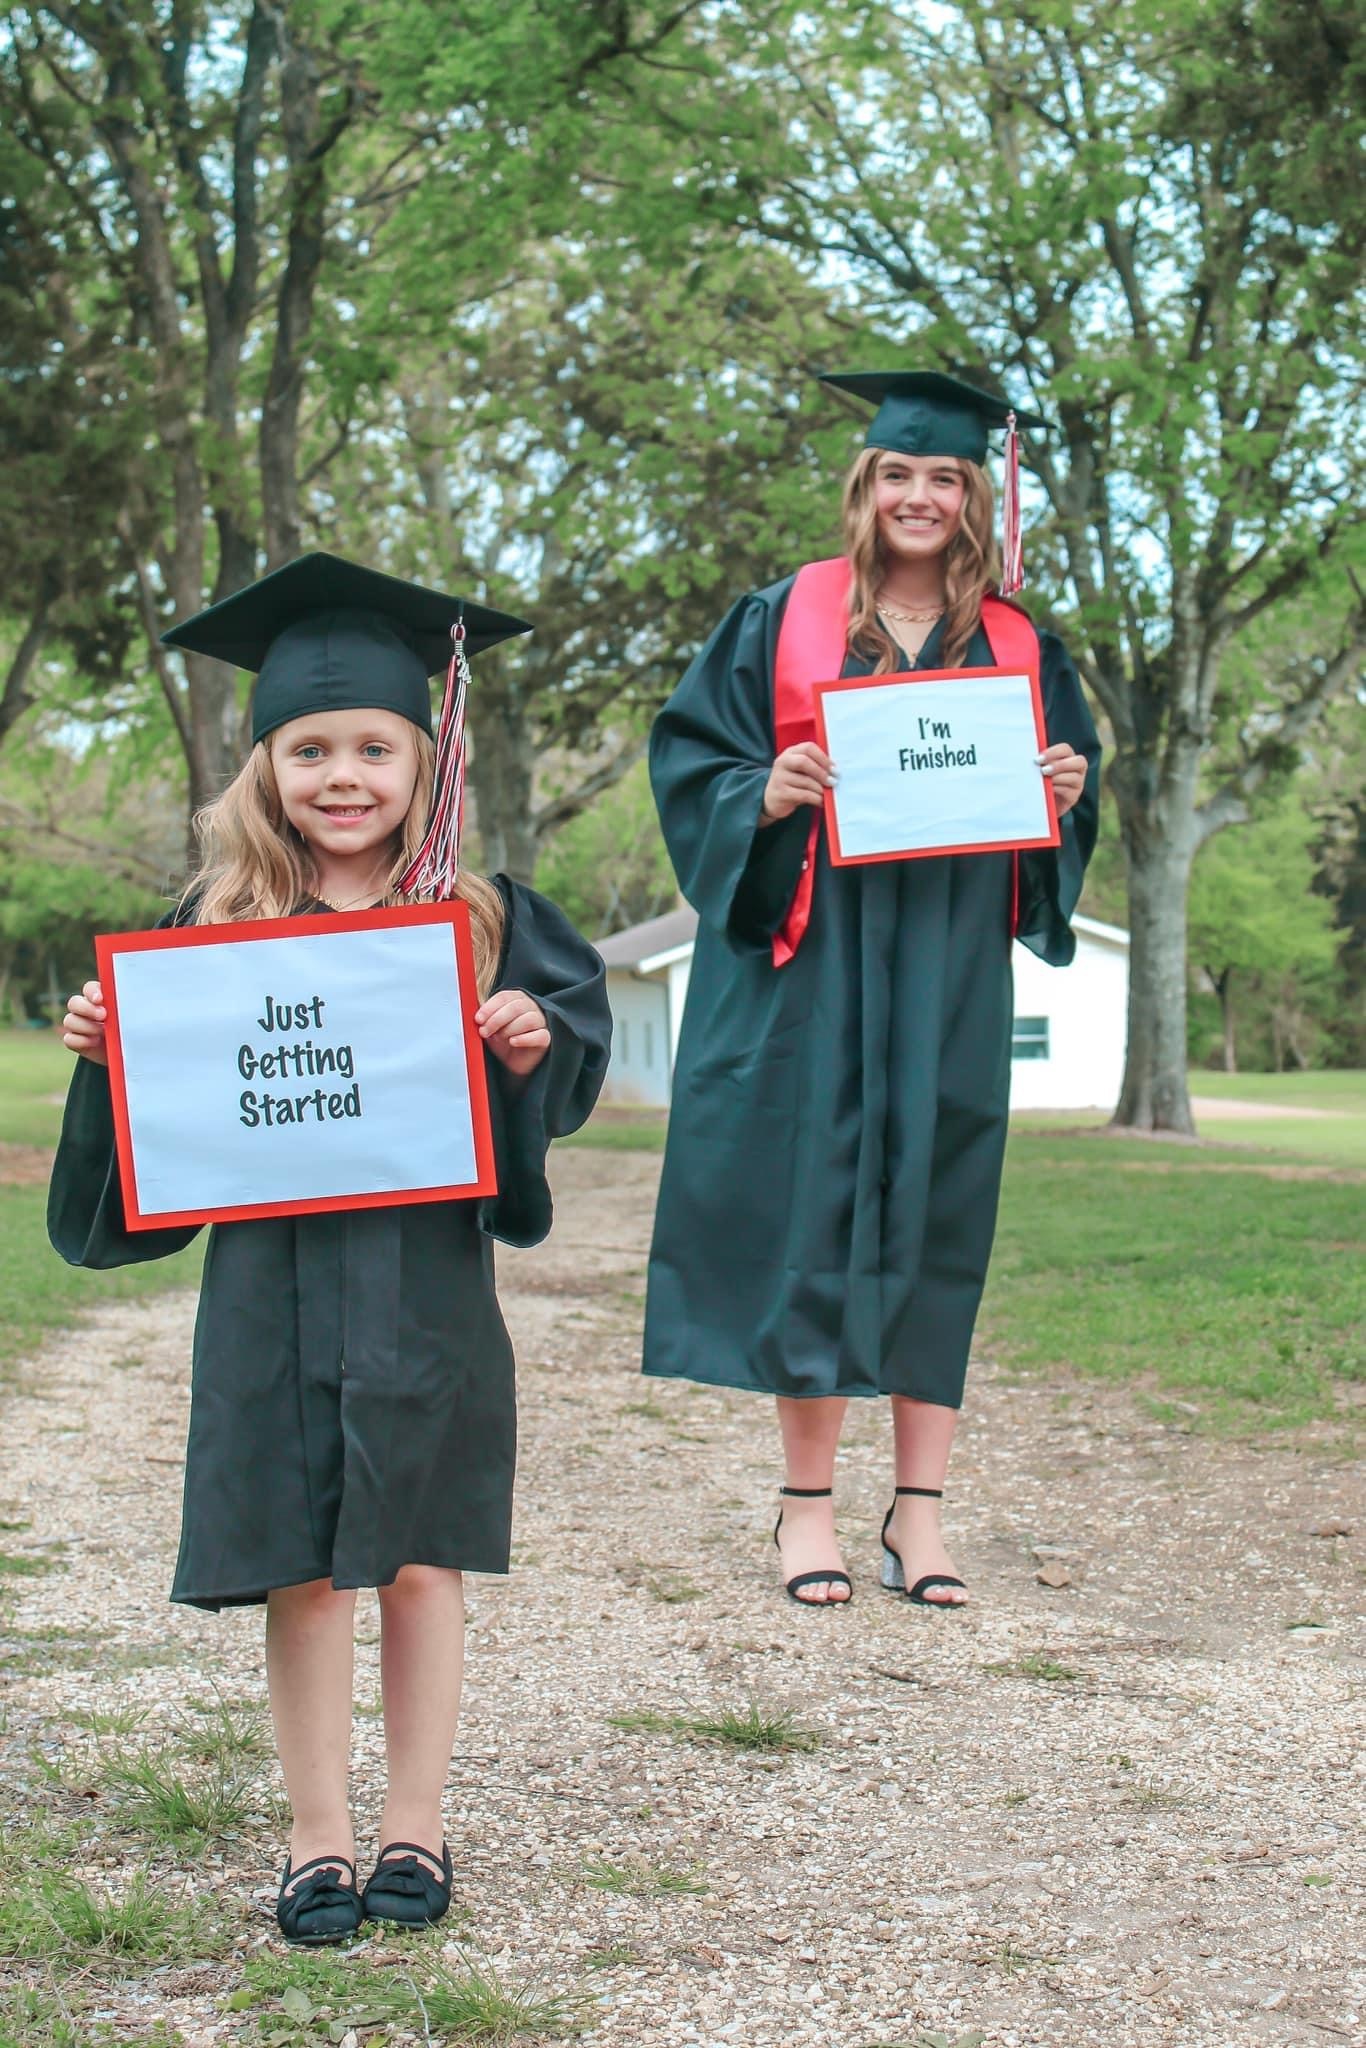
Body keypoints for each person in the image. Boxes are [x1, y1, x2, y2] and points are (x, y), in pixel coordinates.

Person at [49, 553, 611, 1943]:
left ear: (426, 761)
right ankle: (316, 1841)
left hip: (427, 1285)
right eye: (309, 749)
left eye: (374, 746)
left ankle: (413, 1828)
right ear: (265, 767)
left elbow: (556, 1067)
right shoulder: (212, 929)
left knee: (421, 1555)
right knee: (294, 1559)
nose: (343, 775)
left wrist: (528, 1049)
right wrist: (110, 1054)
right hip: (269, 1289)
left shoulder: (483, 920)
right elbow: (160, 1129)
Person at [643, 371, 1101, 1610]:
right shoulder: (782, 617)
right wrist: (768, 794)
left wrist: (1060, 795)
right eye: (898, 473)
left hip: (947, 960)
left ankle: (919, 1510)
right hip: (819, 959)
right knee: (815, 1214)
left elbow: (1060, 800)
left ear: (972, 499)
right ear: (865, 485)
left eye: (945, 477)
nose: (920, 495)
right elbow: (696, 759)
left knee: (936, 1211)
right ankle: (804, 1509)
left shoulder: (1017, 643)